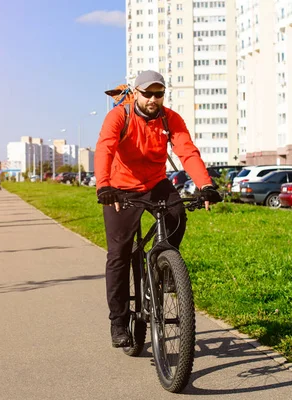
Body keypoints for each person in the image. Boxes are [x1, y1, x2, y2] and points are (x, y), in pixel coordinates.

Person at [94, 70, 222, 348]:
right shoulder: (119, 116)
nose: (153, 99)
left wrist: (205, 185)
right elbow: (104, 148)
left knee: (177, 215)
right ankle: (118, 320)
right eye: (147, 93)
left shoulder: (170, 118)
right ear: (135, 93)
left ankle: (162, 265)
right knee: (119, 254)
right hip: (120, 187)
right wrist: (103, 186)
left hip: (155, 183)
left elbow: (186, 151)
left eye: (158, 94)